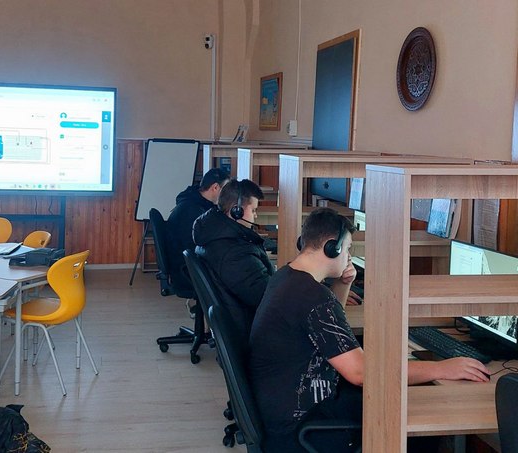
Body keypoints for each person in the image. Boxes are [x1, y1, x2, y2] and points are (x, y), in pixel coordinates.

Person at [248, 207, 491, 452]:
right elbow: (361, 373)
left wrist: (344, 283)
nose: (349, 256)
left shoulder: (287, 277)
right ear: (332, 247)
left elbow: (328, 331)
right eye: (348, 248)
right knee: (416, 414)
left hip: (287, 411)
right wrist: (442, 368)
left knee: (401, 391)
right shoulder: (313, 296)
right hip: (303, 428)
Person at [193, 179, 274, 337]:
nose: (256, 216)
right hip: (254, 331)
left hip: (242, 321)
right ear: (236, 211)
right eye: (253, 210)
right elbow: (267, 298)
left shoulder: (215, 236)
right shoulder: (234, 253)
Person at [165, 168, 230, 291]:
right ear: (215, 187)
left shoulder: (193, 202)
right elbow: (198, 246)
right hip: (186, 271)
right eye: (225, 190)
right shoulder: (192, 211)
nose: (227, 196)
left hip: (187, 266)